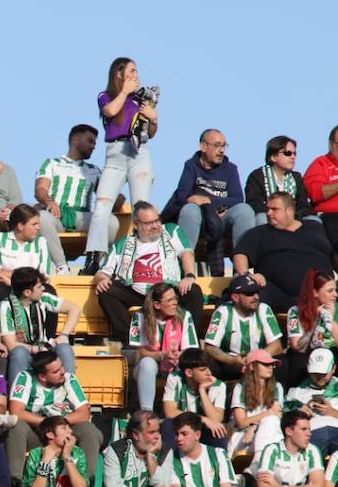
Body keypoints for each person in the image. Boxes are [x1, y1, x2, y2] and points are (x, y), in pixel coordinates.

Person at [82, 58, 157, 274]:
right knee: (102, 205)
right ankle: (93, 258)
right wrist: (124, 91)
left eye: (136, 70)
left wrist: (153, 119)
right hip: (116, 153)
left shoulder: (141, 97)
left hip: (139, 152)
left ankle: (140, 258)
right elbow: (110, 111)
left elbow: (150, 133)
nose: (136, 74)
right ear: (119, 73)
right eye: (131, 70)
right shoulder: (106, 95)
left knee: (141, 207)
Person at [92, 202, 201, 344]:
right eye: (149, 223)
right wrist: (102, 280)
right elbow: (101, 273)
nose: (155, 226)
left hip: (167, 290)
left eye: (157, 220)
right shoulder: (123, 243)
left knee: (193, 291)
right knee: (106, 291)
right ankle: (129, 341)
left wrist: (189, 275)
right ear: (136, 225)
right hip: (137, 293)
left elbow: (186, 252)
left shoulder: (171, 231)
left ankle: (186, 342)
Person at [4, 350, 102, 482]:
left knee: (89, 430)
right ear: (42, 377)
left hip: (65, 433)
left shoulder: (69, 379)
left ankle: (86, 481)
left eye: (61, 366)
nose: (62, 372)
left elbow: (84, 413)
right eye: (56, 371)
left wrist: (60, 423)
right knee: (16, 425)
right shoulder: (25, 378)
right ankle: (15, 480)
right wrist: (46, 423)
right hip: (36, 434)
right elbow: (16, 411)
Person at [233, 192, 332, 314]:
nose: (269, 213)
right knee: (249, 295)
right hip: (279, 295)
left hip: (320, 294)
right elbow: (240, 254)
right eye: (268, 209)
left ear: (289, 211)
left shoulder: (314, 227)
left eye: (274, 209)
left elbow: (332, 253)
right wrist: (247, 276)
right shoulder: (259, 233)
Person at [162, 129, 251, 261]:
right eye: (217, 145)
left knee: (245, 210)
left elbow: (238, 198)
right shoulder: (191, 165)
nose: (221, 150)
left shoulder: (231, 169)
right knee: (190, 209)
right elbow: (182, 197)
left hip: (221, 218)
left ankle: (241, 267)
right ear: (203, 147)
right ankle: (184, 264)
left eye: (224, 146)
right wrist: (204, 205)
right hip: (198, 220)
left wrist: (209, 201)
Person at [34, 124, 103, 270]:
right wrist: (50, 202)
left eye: (94, 143)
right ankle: (62, 267)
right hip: (57, 215)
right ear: (75, 139)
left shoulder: (94, 170)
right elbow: (40, 189)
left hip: (82, 218)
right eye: (90, 141)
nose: (93, 146)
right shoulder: (52, 163)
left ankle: (94, 265)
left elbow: (107, 196)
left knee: (111, 221)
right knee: (42, 217)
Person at [0, 267, 78, 385]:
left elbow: (74, 309)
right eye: (39, 286)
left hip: (44, 349)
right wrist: (35, 349)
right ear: (27, 292)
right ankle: (17, 394)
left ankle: (70, 390)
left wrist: (64, 334)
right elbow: (10, 344)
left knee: (64, 348)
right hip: (24, 351)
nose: (43, 288)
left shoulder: (43, 298)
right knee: (19, 353)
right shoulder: (5, 307)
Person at [203, 275, 285, 386]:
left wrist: (255, 358)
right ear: (235, 297)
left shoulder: (264, 309)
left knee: (283, 363)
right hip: (232, 362)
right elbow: (210, 347)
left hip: (260, 360)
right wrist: (231, 360)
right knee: (211, 364)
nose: (256, 297)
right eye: (250, 294)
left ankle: (277, 395)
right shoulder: (223, 312)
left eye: (257, 292)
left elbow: (277, 345)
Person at [128, 282, 198, 413]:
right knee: (147, 363)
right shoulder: (140, 317)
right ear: (157, 305)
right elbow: (141, 351)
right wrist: (163, 355)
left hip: (176, 362)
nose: (175, 303)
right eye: (170, 300)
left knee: (188, 366)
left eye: (175, 298)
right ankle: (146, 411)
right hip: (149, 365)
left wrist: (179, 355)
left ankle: (184, 411)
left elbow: (190, 349)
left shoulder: (184, 315)